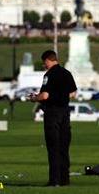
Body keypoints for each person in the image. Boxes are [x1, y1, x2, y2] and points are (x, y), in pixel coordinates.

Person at [30, 50, 77, 187]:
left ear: (47, 60)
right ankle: (65, 180)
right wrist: (61, 96)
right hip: (65, 113)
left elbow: (44, 96)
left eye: (44, 62)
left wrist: (34, 98)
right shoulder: (67, 73)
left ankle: (54, 181)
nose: (44, 65)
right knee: (64, 148)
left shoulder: (49, 75)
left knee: (53, 148)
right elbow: (73, 93)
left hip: (52, 114)